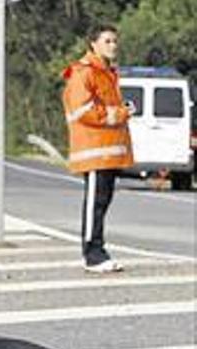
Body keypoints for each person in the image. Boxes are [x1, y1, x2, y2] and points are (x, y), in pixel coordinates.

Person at [62, 23, 134, 273]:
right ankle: (93, 255)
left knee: (102, 202)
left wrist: (122, 110)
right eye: (107, 41)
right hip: (93, 150)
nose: (113, 45)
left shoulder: (107, 73)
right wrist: (121, 113)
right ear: (93, 44)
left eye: (115, 41)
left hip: (106, 151)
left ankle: (97, 251)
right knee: (96, 203)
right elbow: (84, 111)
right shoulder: (84, 72)